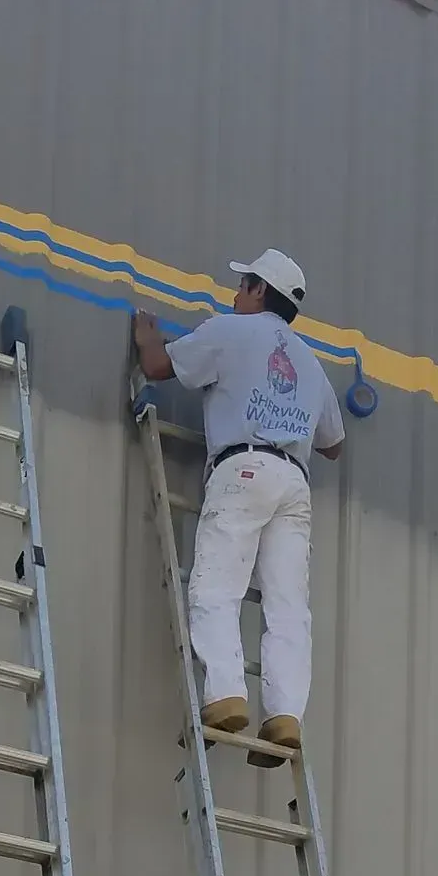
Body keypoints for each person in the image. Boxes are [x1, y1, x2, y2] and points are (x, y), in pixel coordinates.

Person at [133, 250, 345, 767]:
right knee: (288, 608)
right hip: (293, 484)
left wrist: (146, 337)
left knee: (215, 586)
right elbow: (333, 443)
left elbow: (159, 366)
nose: (234, 295)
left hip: (243, 468)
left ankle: (225, 695)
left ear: (256, 290)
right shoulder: (310, 364)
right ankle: (285, 715)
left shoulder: (229, 330)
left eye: (240, 286)